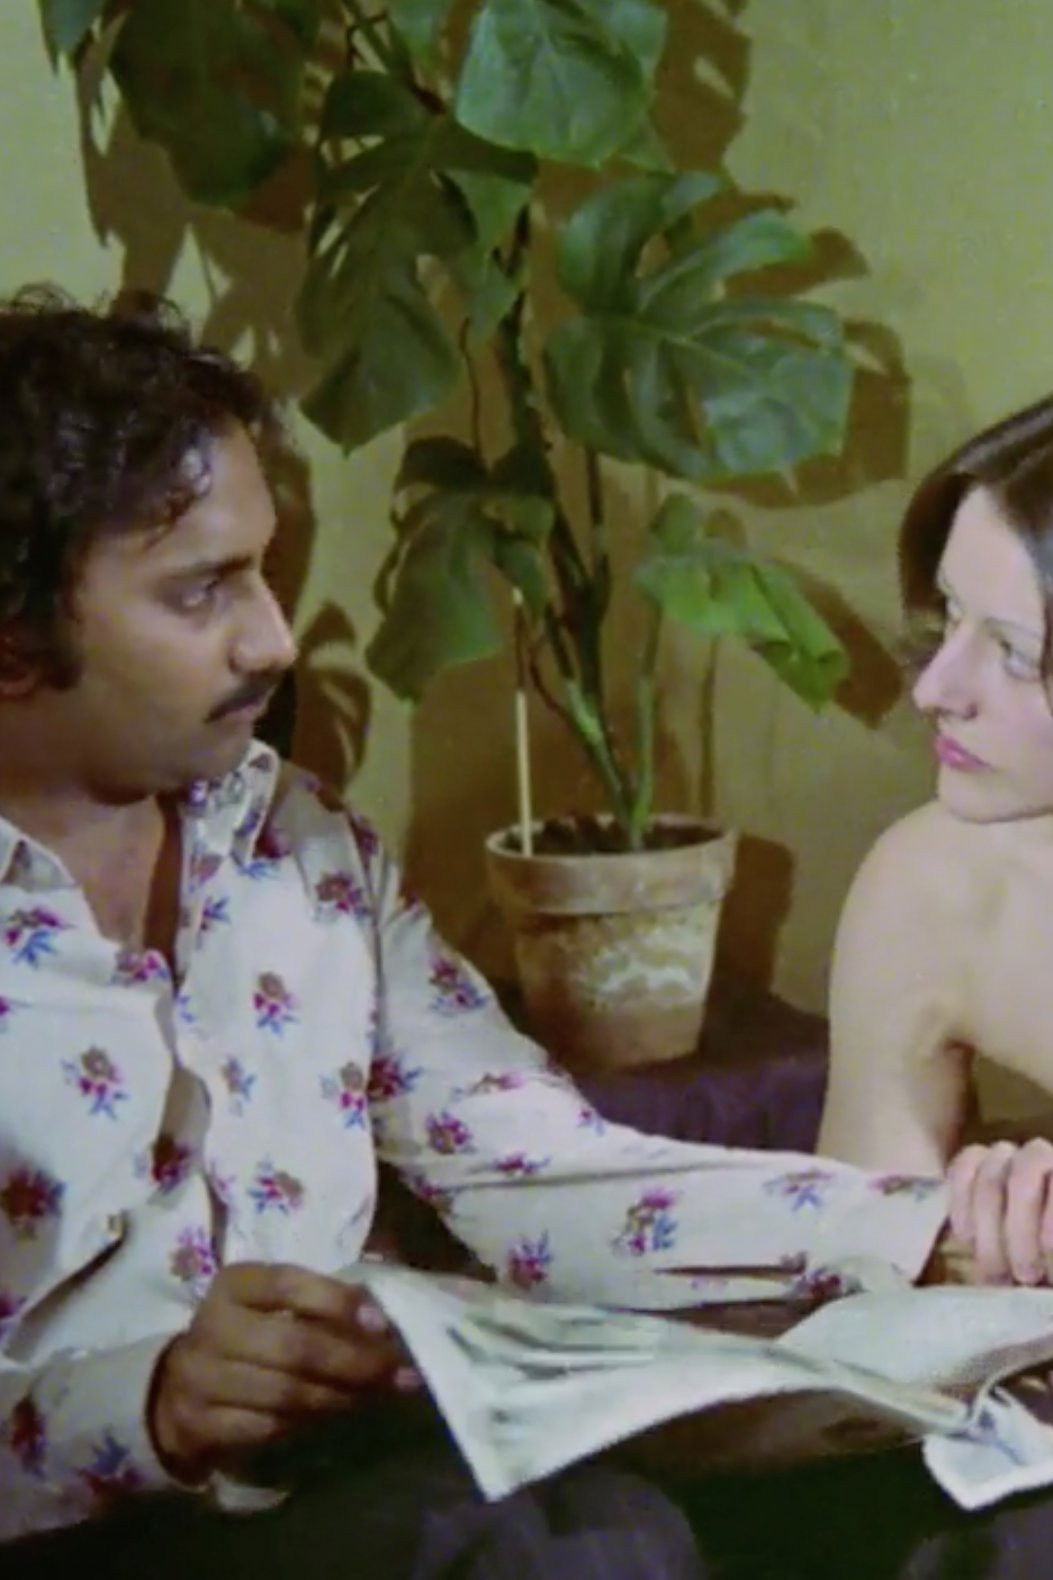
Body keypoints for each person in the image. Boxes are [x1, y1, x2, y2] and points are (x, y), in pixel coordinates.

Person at [0, 286, 943, 1575]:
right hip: (76, 1529)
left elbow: (534, 1168)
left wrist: (925, 1233)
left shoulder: (300, 843)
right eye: (202, 590)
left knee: (649, 1527)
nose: (273, 638)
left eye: (264, 568)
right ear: (14, 637)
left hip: (346, 1487)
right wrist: (152, 1401)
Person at [818, 394, 1053, 1288]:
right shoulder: (933, 884)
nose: (934, 690)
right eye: (952, 614)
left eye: (1016, 654)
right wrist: (967, 1257)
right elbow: (860, 1289)